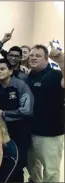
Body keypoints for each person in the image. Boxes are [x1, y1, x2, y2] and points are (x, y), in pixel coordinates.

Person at [26, 44, 64, 182]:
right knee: (32, 168)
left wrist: (62, 62)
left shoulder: (55, 74)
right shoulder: (29, 76)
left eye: (38, 56)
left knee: (51, 171)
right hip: (31, 131)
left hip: (50, 135)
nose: (33, 58)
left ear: (46, 59)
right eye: (31, 55)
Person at [0, 58, 34, 182]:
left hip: (20, 131)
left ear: (10, 71)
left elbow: (27, 110)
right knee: (5, 162)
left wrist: (3, 114)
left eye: (2, 69)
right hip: (3, 132)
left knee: (18, 164)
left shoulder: (20, 85)